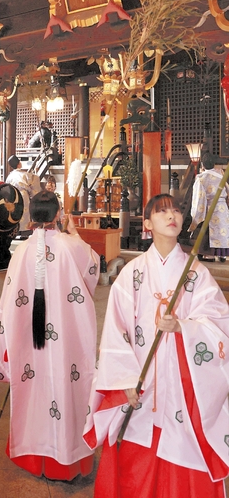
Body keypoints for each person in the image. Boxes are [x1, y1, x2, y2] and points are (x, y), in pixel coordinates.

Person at [84, 194, 229, 498]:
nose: (172, 215)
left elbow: (218, 322)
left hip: (182, 386)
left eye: (176, 210)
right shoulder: (132, 275)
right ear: (147, 224)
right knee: (137, 458)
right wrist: (124, 381)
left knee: (184, 449)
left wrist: (184, 327)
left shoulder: (196, 273)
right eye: (162, 212)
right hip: (142, 381)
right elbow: (116, 330)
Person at [0, 190, 100, 480]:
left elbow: (7, 302)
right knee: (67, 389)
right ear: (58, 214)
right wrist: (75, 235)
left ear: (31, 216)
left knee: (33, 391)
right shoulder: (71, 247)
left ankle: (34, 456)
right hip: (67, 337)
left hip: (29, 340)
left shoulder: (21, 252)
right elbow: (92, 272)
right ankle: (67, 457)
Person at [190, 152, 229, 260]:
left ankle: (209, 254)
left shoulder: (201, 178)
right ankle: (222, 254)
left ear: (202, 164)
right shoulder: (221, 175)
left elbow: (198, 197)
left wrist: (196, 213)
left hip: (209, 206)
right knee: (222, 230)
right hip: (222, 207)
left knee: (208, 230)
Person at [5, 155, 41, 234]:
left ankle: (15, 231)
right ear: (19, 164)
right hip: (23, 195)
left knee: (15, 213)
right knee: (24, 213)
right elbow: (34, 182)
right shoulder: (25, 175)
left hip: (13, 196)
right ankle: (25, 230)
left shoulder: (10, 176)